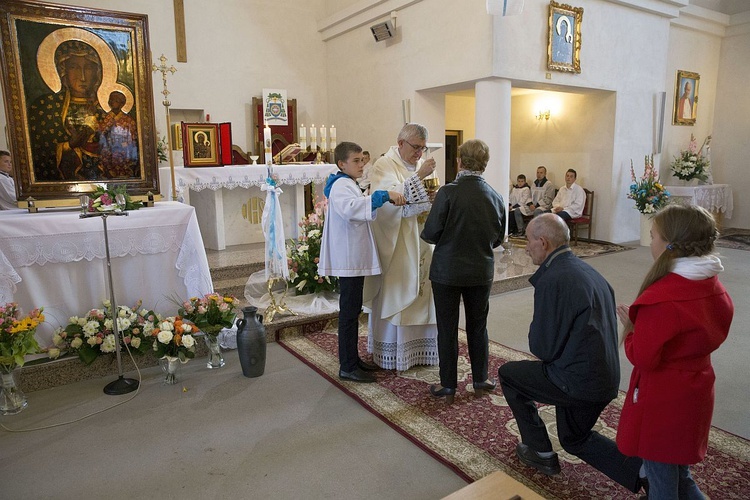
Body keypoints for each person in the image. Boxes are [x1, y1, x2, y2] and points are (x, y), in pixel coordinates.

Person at [497, 214, 643, 495]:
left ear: (543, 242)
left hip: (576, 380)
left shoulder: (554, 279)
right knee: (574, 438)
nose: (526, 247)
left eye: (528, 241)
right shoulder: (586, 270)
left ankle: (539, 451)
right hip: (605, 378)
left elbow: (542, 348)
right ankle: (644, 472)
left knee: (509, 375)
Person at [616, 204, 733, 499]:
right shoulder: (711, 284)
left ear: (669, 245)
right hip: (696, 389)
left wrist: (632, 328)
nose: (650, 242)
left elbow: (642, 356)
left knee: (662, 483)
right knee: (681, 475)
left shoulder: (664, 298)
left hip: (664, 402)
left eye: (653, 236)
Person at [420, 139, 505, 403]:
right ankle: (481, 378)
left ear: (459, 161)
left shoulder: (447, 192)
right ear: (485, 164)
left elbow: (431, 233)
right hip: (481, 270)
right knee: (478, 325)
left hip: (447, 270)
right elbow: (498, 238)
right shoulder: (495, 195)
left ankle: (448, 384)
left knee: (447, 327)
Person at [318, 141, 406, 383]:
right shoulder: (341, 186)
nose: (361, 164)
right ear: (341, 164)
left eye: (362, 160)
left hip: (352, 257)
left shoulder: (347, 183)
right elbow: (352, 209)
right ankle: (347, 366)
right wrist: (382, 195)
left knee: (353, 309)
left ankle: (353, 360)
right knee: (348, 312)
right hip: (349, 258)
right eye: (355, 161)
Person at [363, 123, 439, 371]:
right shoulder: (385, 164)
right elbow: (389, 201)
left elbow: (421, 198)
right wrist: (420, 178)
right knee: (400, 289)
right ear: (400, 143)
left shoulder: (418, 165)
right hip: (397, 241)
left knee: (424, 289)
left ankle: (420, 351)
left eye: (423, 148)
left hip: (421, 237)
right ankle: (393, 351)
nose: (419, 153)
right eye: (416, 147)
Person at [29, 40, 106, 181]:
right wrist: (68, 146)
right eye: (74, 67)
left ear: (97, 72)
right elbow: (39, 152)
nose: (82, 77)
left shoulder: (104, 110)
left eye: (88, 68)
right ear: (63, 71)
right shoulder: (46, 106)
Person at [99, 90, 139, 178]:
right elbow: (101, 133)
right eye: (112, 100)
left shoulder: (128, 120)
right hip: (109, 147)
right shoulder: (106, 118)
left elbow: (132, 137)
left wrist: (122, 144)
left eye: (116, 101)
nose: (113, 103)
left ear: (121, 104)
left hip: (124, 148)